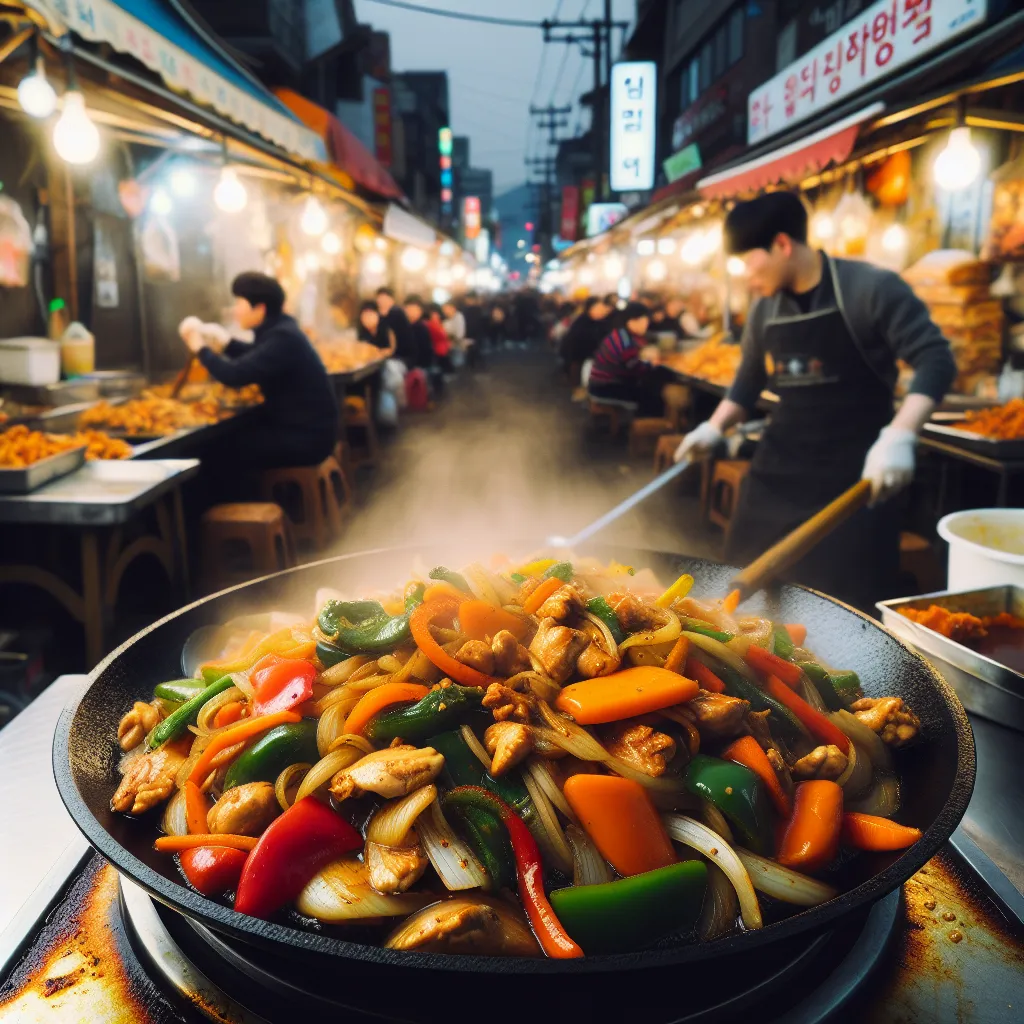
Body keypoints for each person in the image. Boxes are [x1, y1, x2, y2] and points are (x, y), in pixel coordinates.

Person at [674, 191, 956, 608]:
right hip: (778, 472)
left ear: (782, 245)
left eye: (748, 262)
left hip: (855, 478)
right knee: (740, 589)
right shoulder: (764, 309)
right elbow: (747, 384)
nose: (746, 278)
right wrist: (714, 427)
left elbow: (935, 359)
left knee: (842, 605)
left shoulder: (870, 289)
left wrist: (900, 435)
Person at [179, 271, 338, 469]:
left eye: (239, 303)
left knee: (214, 450)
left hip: (307, 439)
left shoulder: (283, 337)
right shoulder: (281, 330)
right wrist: (227, 343)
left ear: (260, 308)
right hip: (305, 431)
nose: (235, 310)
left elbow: (234, 375)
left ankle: (240, 499)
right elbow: (257, 356)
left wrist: (200, 347)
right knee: (232, 438)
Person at [587, 301, 675, 416]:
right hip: (606, 387)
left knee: (651, 385)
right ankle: (646, 427)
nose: (646, 325)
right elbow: (635, 369)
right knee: (652, 393)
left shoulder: (620, 333)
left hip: (599, 383)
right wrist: (652, 364)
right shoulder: (625, 341)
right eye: (644, 321)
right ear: (632, 321)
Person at [376, 287, 414, 366]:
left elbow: (398, 341)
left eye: (384, 298)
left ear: (392, 300)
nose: (381, 301)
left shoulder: (397, 313)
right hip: (387, 356)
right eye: (379, 298)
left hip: (401, 358)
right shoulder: (379, 316)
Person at [402, 295, 436, 371]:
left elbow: (426, 352)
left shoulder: (422, 328)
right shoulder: (402, 327)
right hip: (406, 364)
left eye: (415, 310)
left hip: (421, 367)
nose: (412, 313)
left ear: (420, 312)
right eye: (409, 309)